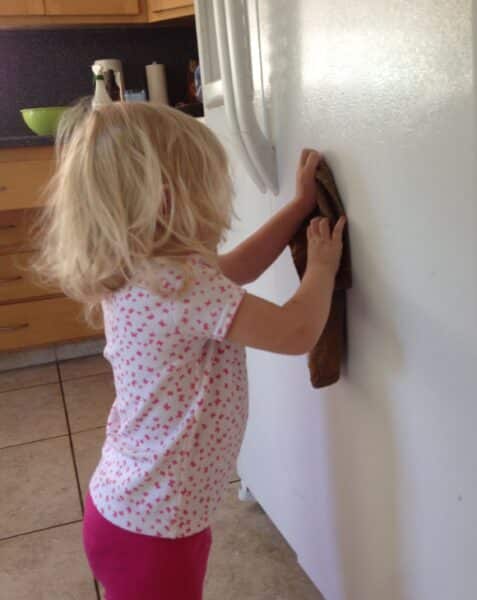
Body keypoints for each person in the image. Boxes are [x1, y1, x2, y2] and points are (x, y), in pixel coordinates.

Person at [33, 101, 346, 600]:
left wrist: (296, 209)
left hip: (127, 510)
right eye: (211, 188)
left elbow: (237, 268)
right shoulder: (178, 283)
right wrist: (322, 270)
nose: (220, 203)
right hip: (157, 526)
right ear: (166, 200)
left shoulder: (144, 270)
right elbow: (295, 332)